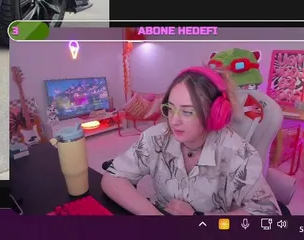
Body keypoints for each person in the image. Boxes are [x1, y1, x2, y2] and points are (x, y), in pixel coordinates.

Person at [100, 66, 280, 216]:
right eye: (170, 108)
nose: (173, 121)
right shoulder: (155, 137)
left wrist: (198, 219)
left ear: (214, 114)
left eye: (187, 112)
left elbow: (268, 214)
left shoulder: (239, 154)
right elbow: (113, 177)